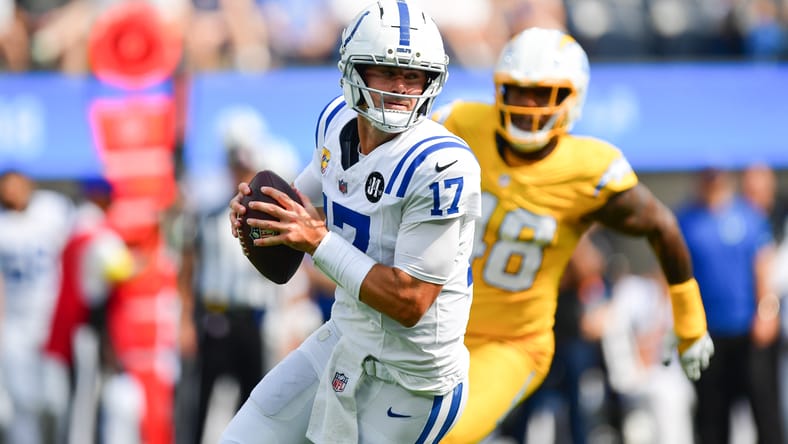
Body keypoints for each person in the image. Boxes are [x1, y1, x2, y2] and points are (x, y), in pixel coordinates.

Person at [430, 27, 714, 444]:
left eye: (543, 94)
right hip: (431, 325)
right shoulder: (458, 124)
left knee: (445, 433)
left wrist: (690, 321)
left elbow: (661, 227)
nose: (527, 105)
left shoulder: (588, 169)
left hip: (511, 342)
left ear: (572, 98)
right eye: (518, 91)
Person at [222, 1, 482, 442]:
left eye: (413, 75)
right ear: (353, 71)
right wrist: (263, 212)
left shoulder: (440, 165)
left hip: (412, 379)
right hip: (345, 338)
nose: (401, 87)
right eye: (387, 71)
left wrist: (318, 242)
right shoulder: (335, 121)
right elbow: (303, 205)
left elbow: (410, 301)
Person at [176, 109, 313, 444]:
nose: (240, 173)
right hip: (215, 318)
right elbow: (188, 267)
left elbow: (296, 275)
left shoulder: (272, 215)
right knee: (199, 407)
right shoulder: (208, 213)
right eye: (235, 166)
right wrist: (185, 320)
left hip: (255, 320)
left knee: (252, 405)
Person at [676, 167, 783, 444]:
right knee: (712, 418)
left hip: (749, 330)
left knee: (765, 413)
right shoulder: (687, 220)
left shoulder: (748, 216)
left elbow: (762, 266)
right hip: (708, 333)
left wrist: (767, 311)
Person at [42, 176, 135, 444]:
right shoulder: (99, 233)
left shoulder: (74, 228)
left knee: (78, 395)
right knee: (85, 399)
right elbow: (122, 268)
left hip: (72, 324)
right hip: (88, 325)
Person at [0, 169, 75, 444]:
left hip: (51, 321)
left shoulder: (52, 209)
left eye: (17, 185)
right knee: (22, 402)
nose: (12, 193)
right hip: (16, 324)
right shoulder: (3, 225)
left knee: (56, 401)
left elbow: (74, 253)